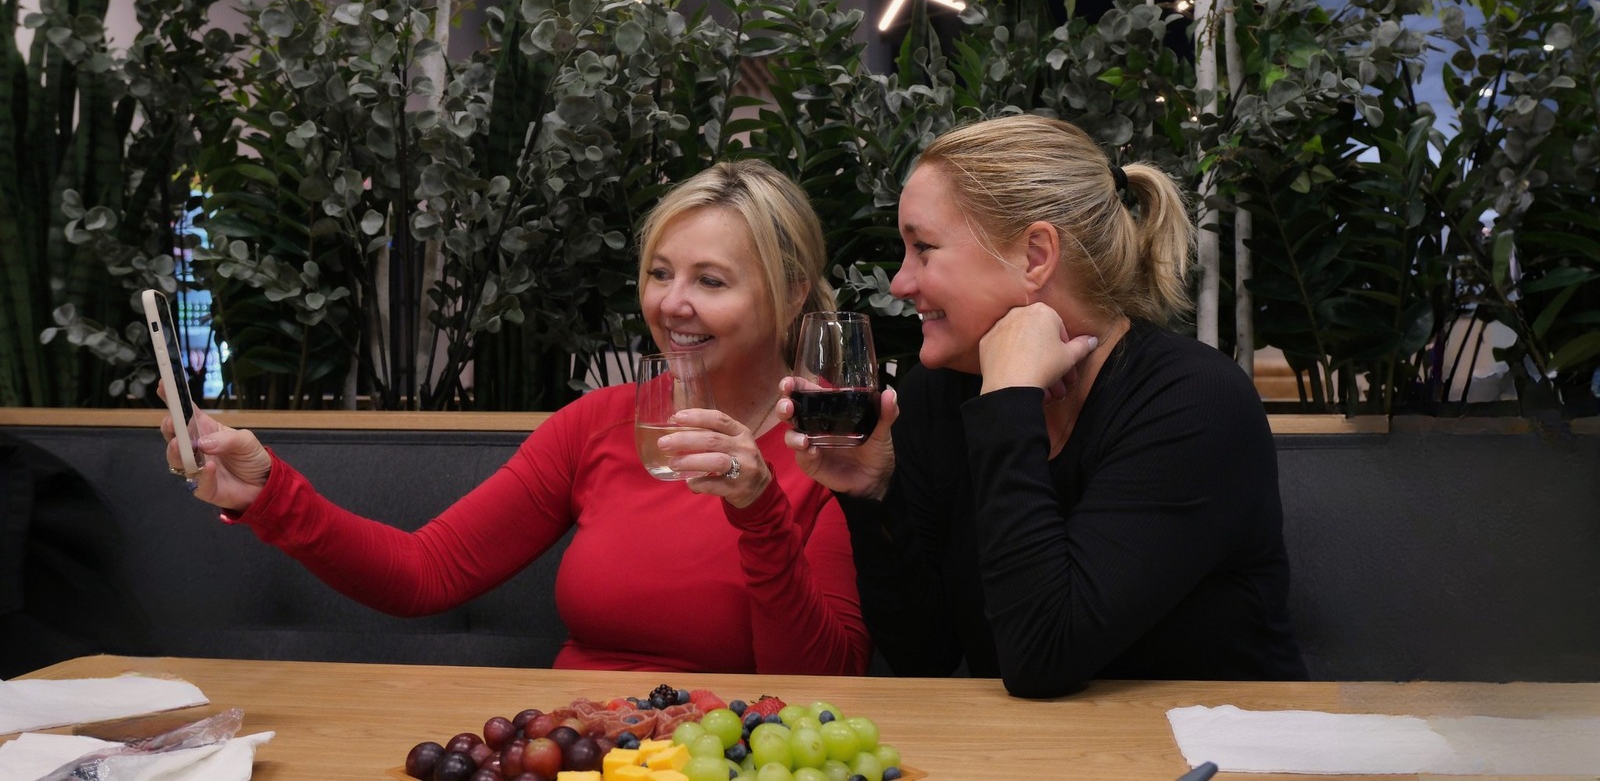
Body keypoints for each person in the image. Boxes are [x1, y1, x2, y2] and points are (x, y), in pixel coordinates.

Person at [161, 159, 869, 676]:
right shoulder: (596, 425)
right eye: (660, 273)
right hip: (572, 747)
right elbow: (425, 572)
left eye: (709, 280)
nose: (670, 303)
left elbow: (824, 685)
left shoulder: (829, 444)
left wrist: (758, 511)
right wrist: (268, 492)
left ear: (791, 292)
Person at [784, 114, 1305, 697]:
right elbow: (923, 654)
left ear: (1035, 256)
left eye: (923, 249)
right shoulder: (942, 392)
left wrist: (1010, 402)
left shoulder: (1194, 401)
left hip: (1212, 742)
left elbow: (1043, 656)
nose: (900, 284)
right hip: (1040, 742)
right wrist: (875, 497)